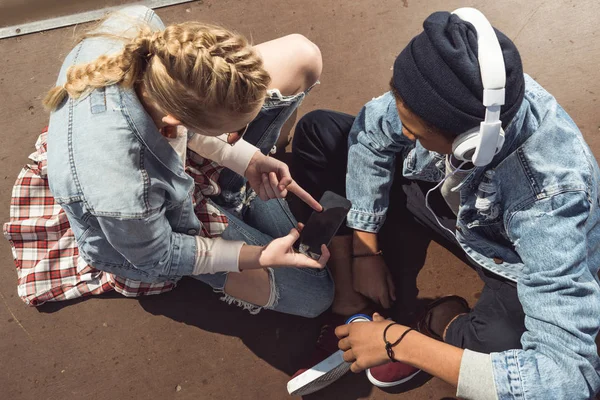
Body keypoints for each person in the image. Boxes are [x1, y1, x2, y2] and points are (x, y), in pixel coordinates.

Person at [290, 8, 600, 399]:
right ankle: (347, 295)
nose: (401, 131)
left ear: (470, 143)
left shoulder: (550, 202)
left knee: (504, 344)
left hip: (512, 254)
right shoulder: (468, 88)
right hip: (450, 198)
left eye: (414, 131)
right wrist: (364, 251)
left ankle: (439, 319)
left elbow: (569, 378)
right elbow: (374, 130)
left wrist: (398, 342)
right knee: (320, 132)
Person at [5, 5, 335, 317]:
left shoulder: (139, 27)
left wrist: (249, 159)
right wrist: (258, 256)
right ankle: (229, 209)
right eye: (233, 131)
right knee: (316, 295)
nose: (238, 136)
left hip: (157, 165)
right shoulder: (124, 192)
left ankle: (230, 200)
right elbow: (160, 256)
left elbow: (185, 128)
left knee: (300, 55)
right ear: (176, 122)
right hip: (145, 223)